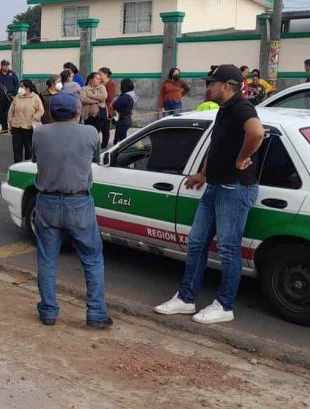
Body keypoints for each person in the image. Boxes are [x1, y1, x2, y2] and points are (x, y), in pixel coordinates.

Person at [155, 64, 263, 324]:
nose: (208, 87)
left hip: (234, 189)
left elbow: (257, 133)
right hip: (215, 186)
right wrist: (204, 173)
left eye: (211, 83)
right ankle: (186, 298)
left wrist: (241, 159)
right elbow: (216, 145)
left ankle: (224, 305)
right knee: (196, 243)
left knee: (227, 249)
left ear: (226, 85)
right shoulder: (224, 110)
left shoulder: (242, 108)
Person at [31, 93, 112, 330]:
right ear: (77, 112)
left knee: (47, 259)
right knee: (93, 259)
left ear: (51, 113)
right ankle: (96, 313)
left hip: (47, 202)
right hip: (79, 202)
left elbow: (37, 159)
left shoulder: (39, 133)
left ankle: (48, 311)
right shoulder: (89, 133)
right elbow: (94, 158)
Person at [8, 79, 44, 163]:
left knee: (29, 149)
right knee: (17, 149)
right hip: (17, 126)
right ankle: (17, 166)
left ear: (28, 88)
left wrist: (34, 117)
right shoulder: (17, 97)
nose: (19, 88)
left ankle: (28, 166)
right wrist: (10, 121)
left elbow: (41, 110)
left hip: (29, 127)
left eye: (21, 86)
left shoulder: (35, 97)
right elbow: (11, 110)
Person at [0, 59, 18, 133]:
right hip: (0, 98)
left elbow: (16, 84)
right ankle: (4, 128)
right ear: (2, 66)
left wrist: (14, 94)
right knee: (2, 114)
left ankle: (12, 128)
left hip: (10, 97)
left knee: (11, 113)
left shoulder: (12, 74)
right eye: (5, 65)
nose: (6, 67)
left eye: (7, 65)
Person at [112, 78, 136, 144]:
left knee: (122, 141)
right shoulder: (130, 96)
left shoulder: (125, 97)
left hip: (123, 121)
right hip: (125, 120)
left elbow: (115, 105)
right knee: (118, 138)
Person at [98, 67, 116, 148]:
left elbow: (110, 97)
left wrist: (98, 97)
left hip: (106, 110)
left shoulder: (110, 84)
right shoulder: (99, 83)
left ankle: (104, 146)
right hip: (98, 109)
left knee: (105, 129)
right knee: (97, 128)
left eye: (100, 74)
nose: (98, 76)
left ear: (105, 75)